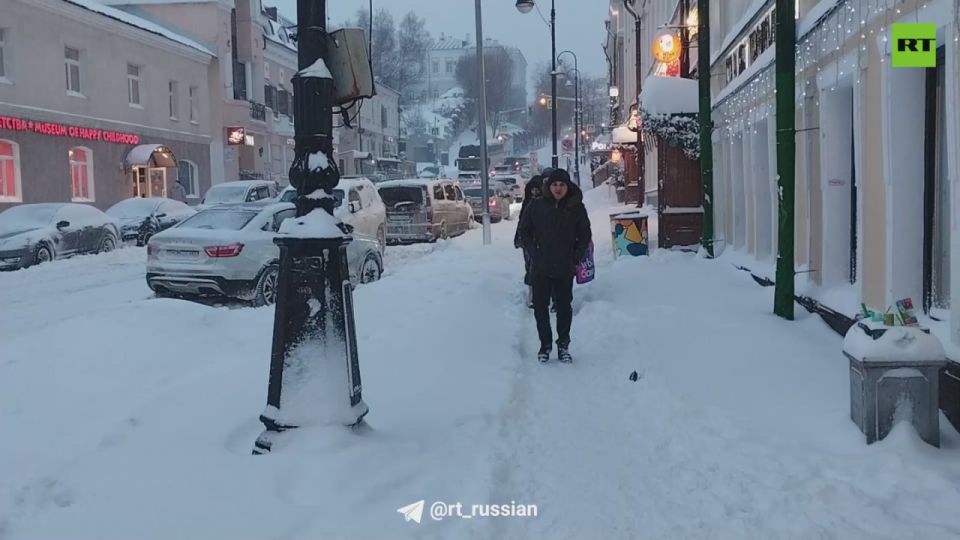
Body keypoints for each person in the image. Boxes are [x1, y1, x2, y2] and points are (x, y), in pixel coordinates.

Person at [516, 168, 592, 363]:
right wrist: (534, 253)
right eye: (555, 185)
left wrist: (575, 256)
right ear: (549, 187)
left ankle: (563, 345)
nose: (558, 188)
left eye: (562, 185)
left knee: (564, 308)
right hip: (540, 267)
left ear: (568, 186)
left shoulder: (576, 208)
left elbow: (585, 235)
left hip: (565, 267)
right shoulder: (537, 206)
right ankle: (545, 345)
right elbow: (524, 232)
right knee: (540, 308)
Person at [514, 175, 544, 308]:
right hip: (528, 241)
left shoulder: (545, 203)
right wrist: (519, 238)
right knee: (530, 268)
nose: (535, 192)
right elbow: (522, 223)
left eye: (537, 189)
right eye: (533, 189)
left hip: (542, 241)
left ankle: (541, 295)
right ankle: (533, 296)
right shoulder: (527, 203)